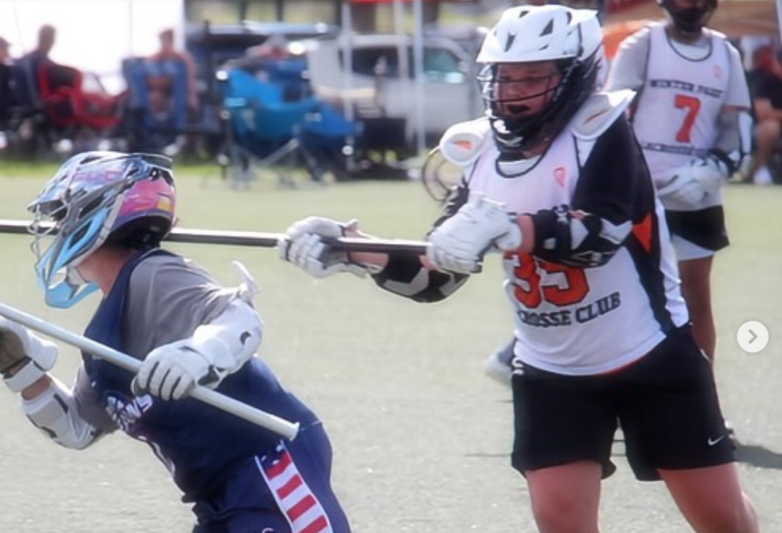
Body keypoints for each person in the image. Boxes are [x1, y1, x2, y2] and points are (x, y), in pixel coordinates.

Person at [278, 6, 759, 533]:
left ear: (575, 75)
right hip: (552, 372)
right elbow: (435, 276)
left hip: (649, 356)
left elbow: (600, 235)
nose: (514, 91)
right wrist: (352, 249)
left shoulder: (603, 132)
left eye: (532, 77)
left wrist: (511, 228)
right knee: (561, 521)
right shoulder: (480, 152)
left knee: (723, 522)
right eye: (505, 77)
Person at [0, 152, 351, 533]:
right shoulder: (102, 335)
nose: (57, 230)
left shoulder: (155, 275)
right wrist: (19, 368)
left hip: (269, 470)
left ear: (98, 217)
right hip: (215, 499)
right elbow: (79, 428)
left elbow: (240, 319)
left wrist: (196, 355)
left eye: (62, 216)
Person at [606, 0, 750, 366]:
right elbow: (611, 119)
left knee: (695, 302)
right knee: (629, 297)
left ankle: (703, 392)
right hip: (640, 196)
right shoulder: (641, 46)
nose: (691, 5)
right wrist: (632, 175)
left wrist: (710, 172)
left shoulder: (726, 54)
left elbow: (736, 130)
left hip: (696, 197)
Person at [743, 46, 782, 186]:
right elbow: (763, 113)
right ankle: (759, 169)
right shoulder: (764, 79)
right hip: (757, 127)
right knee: (771, 127)